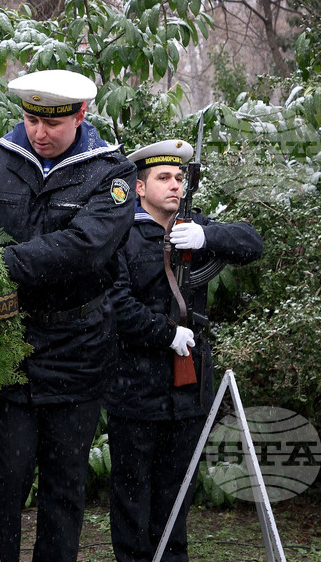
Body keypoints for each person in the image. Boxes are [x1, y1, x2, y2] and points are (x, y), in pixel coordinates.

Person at [0, 69, 136, 562]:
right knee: (0, 487)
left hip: (79, 348)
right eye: (31, 119)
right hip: (10, 347)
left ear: (81, 116)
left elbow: (86, 248)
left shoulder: (110, 172)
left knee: (63, 492)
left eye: (52, 124)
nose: (39, 133)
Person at [106, 139, 263, 562]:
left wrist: (207, 235)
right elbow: (115, 304)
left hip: (188, 389)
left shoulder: (194, 228)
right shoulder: (120, 234)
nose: (175, 185)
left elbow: (251, 243)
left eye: (179, 178)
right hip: (135, 386)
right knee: (132, 497)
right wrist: (163, 333)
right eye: (163, 178)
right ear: (139, 188)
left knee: (177, 496)